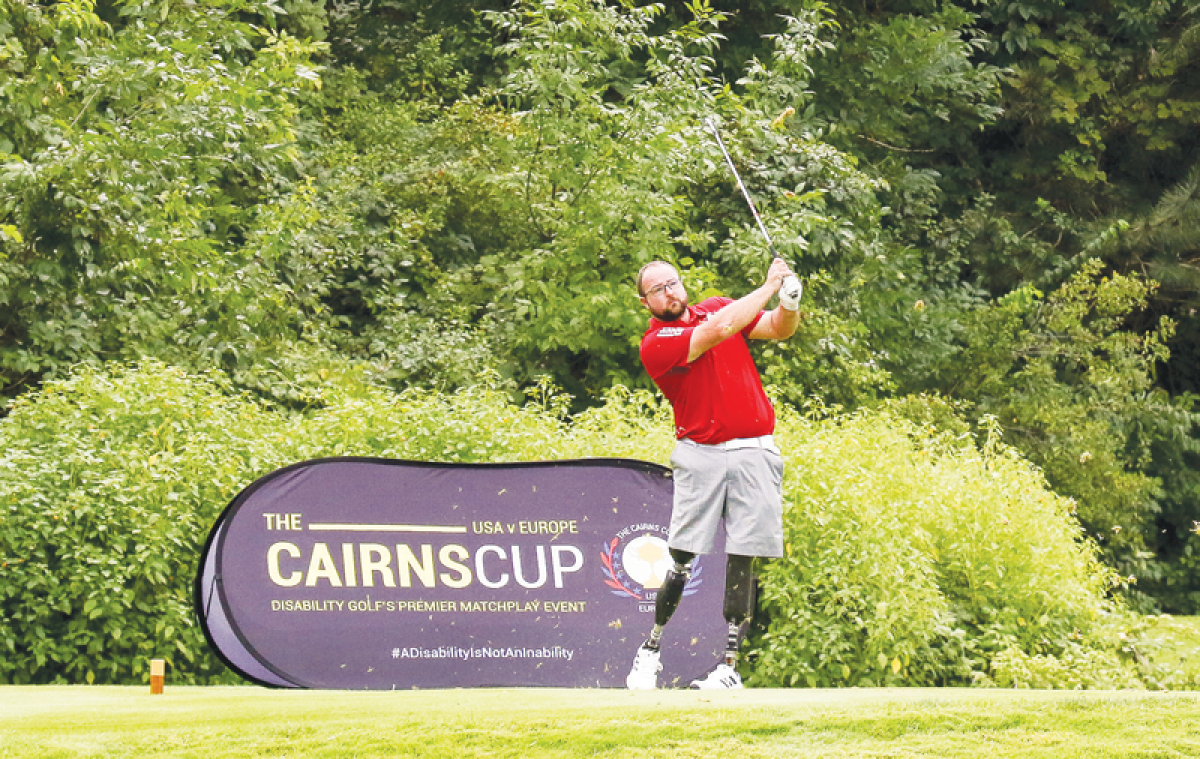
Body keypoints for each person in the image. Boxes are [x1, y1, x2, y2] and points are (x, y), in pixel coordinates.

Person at [626, 257, 802, 690]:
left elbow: (778, 329)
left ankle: (728, 667)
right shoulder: (658, 342)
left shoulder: (720, 305)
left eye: (672, 283)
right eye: (657, 290)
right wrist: (768, 285)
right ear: (646, 301)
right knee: (683, 557)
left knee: (743, 554)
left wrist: (790, 302)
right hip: (700, 453)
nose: (669, 292)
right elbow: (717, 331)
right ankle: (651, 650)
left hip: (754, 452)